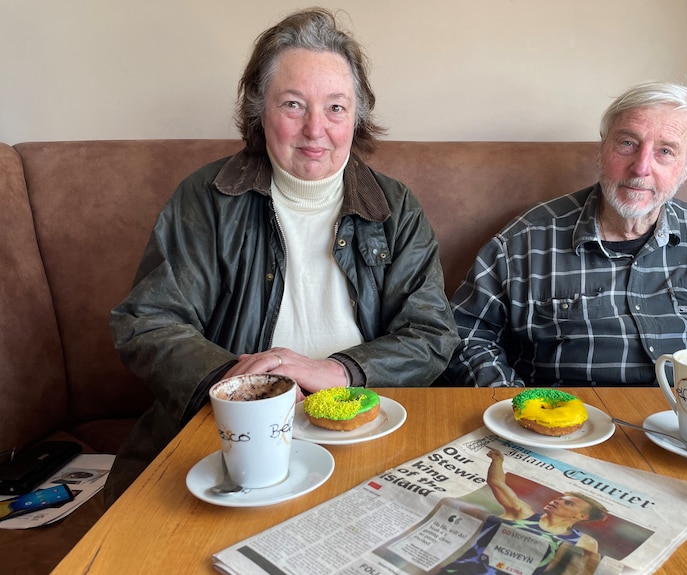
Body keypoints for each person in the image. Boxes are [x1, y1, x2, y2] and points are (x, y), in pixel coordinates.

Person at [106, 8, 458, 503]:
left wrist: (338, 371)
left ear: (357, 116)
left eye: (335, 107)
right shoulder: (205, 199)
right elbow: (147, 321)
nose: (316, 129)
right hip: (227, 436)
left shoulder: (395, 206)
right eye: (293, 104)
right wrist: (245, 389)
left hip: (361, 432)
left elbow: (433, 333)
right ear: (259, 111)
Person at [444, 81, 687, 388]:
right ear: (603, 146)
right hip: (572, 437)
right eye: (627, 143)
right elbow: (465, 336)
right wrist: (515, 405)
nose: (641, 167)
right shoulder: (523, 242)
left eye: (665, 151)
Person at [441, 448, 606, 574]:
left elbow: (587, 570)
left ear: (581, 516)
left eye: (568, 504)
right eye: (558, 499)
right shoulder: (523, 513)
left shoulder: (585, 541)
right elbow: (497, 483)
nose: (556, 501)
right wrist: (497, 461)